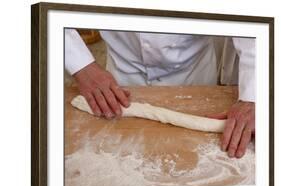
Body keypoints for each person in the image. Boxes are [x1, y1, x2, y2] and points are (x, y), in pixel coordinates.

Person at [65, 29, 255, 159]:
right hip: (122, 76)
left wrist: (254, 94)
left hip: (194, 71)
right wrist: (81, 64)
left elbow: (255, 18)